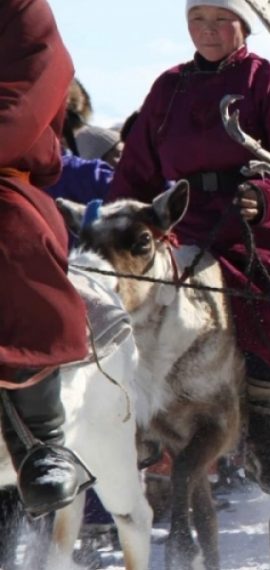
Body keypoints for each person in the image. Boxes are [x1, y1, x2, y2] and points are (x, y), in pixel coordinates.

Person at [107, 0, 270, 496]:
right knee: (130, 301)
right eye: (197, 19)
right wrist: (119, 224)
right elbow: (136, 167)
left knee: (268, 303)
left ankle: (269, 437)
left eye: (221, 18)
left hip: (252, 226)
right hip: (181, 224)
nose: (208, 30)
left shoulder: (265, 80)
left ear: (243, 25)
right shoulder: (169, 87)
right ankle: (141, 424)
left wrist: (266, 197)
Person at [0, 0, 94, 517]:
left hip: (4, 180)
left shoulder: (24, 13)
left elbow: (23, 107)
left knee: (13, 239)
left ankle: (41, 443)